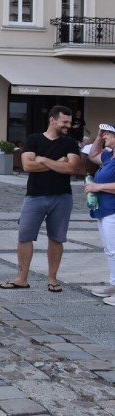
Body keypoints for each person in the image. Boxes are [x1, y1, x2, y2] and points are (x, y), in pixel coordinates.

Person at [0, 105, 80, 293]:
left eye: (70, 122)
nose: (68, 125)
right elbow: (28, 166)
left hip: (62, 197)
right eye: (65, 122)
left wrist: (43, 160)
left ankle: (52, 279)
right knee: (25, 236)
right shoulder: (34, 139)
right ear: (53, 120)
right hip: (34, 196)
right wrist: (56, 163)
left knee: (56, 238)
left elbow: (71, 169)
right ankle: (21, 278)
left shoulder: (70, 143)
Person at [86, 124, 115, 304]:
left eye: (108, 135)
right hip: (104, 209)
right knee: (109, 250)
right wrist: (98, 137)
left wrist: (98, 187)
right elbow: (92, 155)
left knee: (114, 250)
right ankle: (113, 284)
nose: (105, 137)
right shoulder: (109, 157)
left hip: (113, 209)